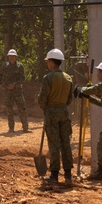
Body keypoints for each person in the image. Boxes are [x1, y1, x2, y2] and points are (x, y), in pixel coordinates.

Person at [37, 48, 73, 184]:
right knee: (66, 144)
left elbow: (42, 99)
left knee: (54, 144)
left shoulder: (48, 78)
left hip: (51, 113)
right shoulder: (68, 78)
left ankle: (54, 174)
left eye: (48, 62)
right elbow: (70, 100)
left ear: (52, 62)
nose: (48, 64)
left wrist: (45, 108)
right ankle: (68, 175)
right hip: (64, 112)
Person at [0, 49, 28, 132]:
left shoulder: (20, 66)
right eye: (10, 56)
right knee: (9, 110)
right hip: (8, 92)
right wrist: (2, 85)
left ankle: (25, 127)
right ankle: (11, 128)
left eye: (13, 56)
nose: (12, 58)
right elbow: (0, 76)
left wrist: (14, 85)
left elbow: (23, 78)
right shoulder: (4, 66)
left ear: (16, 57)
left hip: (18, 91)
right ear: (8, 57)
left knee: (22, 108)